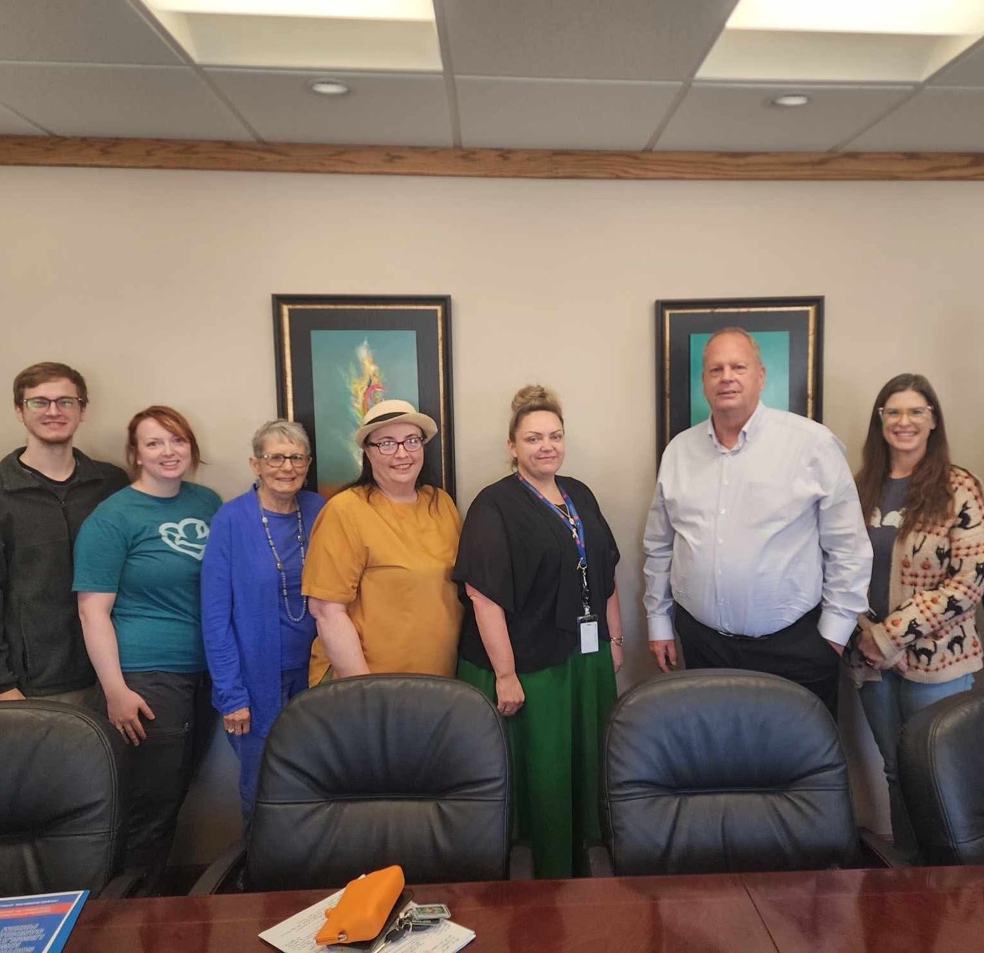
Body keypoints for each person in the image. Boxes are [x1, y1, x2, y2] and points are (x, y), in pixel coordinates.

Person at [642, 327, 871, 717]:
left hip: (796, 648)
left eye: (738, 367)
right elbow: (660, 545)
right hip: (704, 646)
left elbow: (848, 547)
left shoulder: (812, 444)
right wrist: (659, 622)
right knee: (715, 750)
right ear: (703, 381)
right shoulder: (679, 452)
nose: (726, 377)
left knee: (797, 752)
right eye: (716, 369)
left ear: (760, 375)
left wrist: (832, 638)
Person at [455, 385, 624, 879]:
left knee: (587, 770)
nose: (546, 446)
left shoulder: (580, 493)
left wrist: (614, 641)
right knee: (544, 778)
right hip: (528, 667)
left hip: (584, 660)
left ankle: (584, 872)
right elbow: (482, 596)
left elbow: (606, 571)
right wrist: (505, 675)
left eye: (555, 436)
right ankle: (540, 885)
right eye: (533, 438)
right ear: (512, 446)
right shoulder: (494, 505)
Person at [846, 374, 984, 858]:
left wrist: (889, 634)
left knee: (939, 773)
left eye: (916, 411)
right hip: (869, 660)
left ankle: (949, 877)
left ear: (933, 421)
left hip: (938, 663)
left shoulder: (958, 487)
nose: (903, 421)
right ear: (880, 421)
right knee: (895, 770)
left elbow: (968, 581)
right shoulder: (859, 487)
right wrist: (864, 634)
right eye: (893, 411)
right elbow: (837, 565)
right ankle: (908, 876)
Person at [73, 405, 221, 890]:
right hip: (146, 676)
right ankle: (131, 912)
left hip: (203, 674)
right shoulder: (113, 517)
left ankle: (151, 905)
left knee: (174, 793)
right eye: (154, 443)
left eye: (177, 440)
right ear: (135, 454)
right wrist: (115, 691)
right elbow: (92, 612)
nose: (168, 451)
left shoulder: (207, 502)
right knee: (149, 808)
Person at [0, 361, 127, 708]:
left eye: (66, 401)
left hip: (121, 674)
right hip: (35, 687)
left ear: (82, 410)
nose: (53, 411)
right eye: (39, 402)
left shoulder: (112, 484)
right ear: (19, 410)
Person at [201, 420, 326, 824]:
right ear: (255, 464)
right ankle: (259, 859)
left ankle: (310, 860)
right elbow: (215, 615)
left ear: (308, 463)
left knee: (316, 778)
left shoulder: (319, 510)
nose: (287, 467)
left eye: (296, 458)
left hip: (315, 673)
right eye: (275, 458)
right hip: (255, 681)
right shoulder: (231, 519)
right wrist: (231, 694)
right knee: (263, 785)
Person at [302, 399, 461, 679]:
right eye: (387, 443)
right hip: (367, 682)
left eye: (411, 441)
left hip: (436, 681)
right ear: (367, 451)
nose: (402, 453)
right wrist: (366, 688)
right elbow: (327, 610)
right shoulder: (345, 510)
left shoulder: (441, 504)